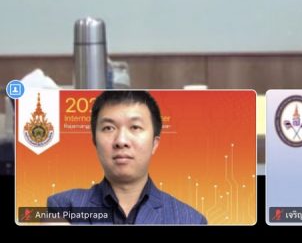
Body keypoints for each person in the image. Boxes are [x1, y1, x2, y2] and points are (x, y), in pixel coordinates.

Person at [47, 90, 207, 225]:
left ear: (154, 143)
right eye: (108, 128)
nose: (121, 141)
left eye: (135, 127)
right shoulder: (62, 207)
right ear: (94, 141)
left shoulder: (191, 220)